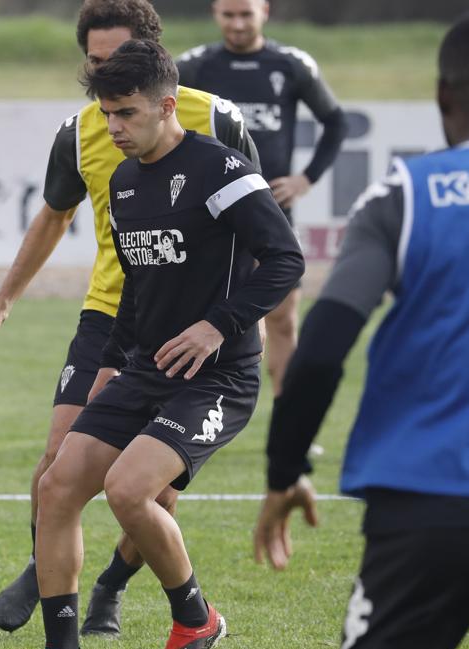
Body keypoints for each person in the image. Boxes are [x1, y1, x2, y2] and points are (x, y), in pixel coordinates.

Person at [255, 8, 469, 649]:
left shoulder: (403, 196)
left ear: (442, 97)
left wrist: (284, 467)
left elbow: (323, 345)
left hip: (422, 513)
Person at [0, 39, 303, 649]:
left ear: (168, 107)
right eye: (106, 115)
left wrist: (215, 326)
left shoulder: (221, 172)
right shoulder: (124, 182)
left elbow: (284, 261)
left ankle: (195, 619)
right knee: (56, 486)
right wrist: (111, 366)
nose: (113, 128)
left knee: (130, 489)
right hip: (143, 368)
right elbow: (135, 290)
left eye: (126, 114)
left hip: (218, 375)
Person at [0, 0, 260, 639]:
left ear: (154, 64)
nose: (105, 79)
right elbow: (54, 215)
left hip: (194, 324)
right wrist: (3, 301)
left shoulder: (217, 122)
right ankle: (51, 580)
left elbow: (260, 233)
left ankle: (110, 590)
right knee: (59, 459)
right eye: (95, 65)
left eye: (117, 63)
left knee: (152, 487)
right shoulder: (81, 131)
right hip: (113, 314)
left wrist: (237, 325)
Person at [177, 0, 347, 400]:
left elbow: (336, 122)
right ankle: (176, 415)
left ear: (264, 12)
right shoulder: (194, 67)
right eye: (228, 15)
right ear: (215, 14)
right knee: (186, 312)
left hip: (270, 211)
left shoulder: (291, 64)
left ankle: (287, 420)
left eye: (245, 14)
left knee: (284, 319)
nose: (237, 24)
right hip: (208, 213)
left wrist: (306, 179)